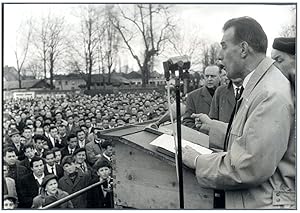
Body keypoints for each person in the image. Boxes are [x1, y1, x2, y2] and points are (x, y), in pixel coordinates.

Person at [182, 16, 295, 209]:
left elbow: (249, 167)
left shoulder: (269, 93)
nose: (220, 55)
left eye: (224, 46)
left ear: (243, 49)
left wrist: (198, 161)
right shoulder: (260, 85)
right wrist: (213, 127)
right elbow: (250, 135)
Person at [182, 65, 220, 130]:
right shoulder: (193, 96)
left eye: (213, 76)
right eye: (207, 76)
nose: (209, 79)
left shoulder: (228, 94)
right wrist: (200, 132)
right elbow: (187, 122)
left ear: (220, 77)